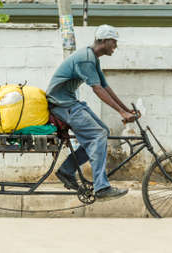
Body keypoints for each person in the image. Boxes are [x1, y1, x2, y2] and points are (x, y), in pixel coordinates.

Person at [46, 24, 140, 201]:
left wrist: (126, 110)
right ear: (103, 41)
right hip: (61, 105)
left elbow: (105, 86)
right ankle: (101, 187)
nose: (115, 46)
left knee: (102, 132)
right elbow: (97, 89)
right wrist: (122, 112)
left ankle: (67, 170)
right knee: (97, 136)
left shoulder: (92, 58)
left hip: (69, 103)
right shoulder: (86, 59)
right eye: (113, 42)